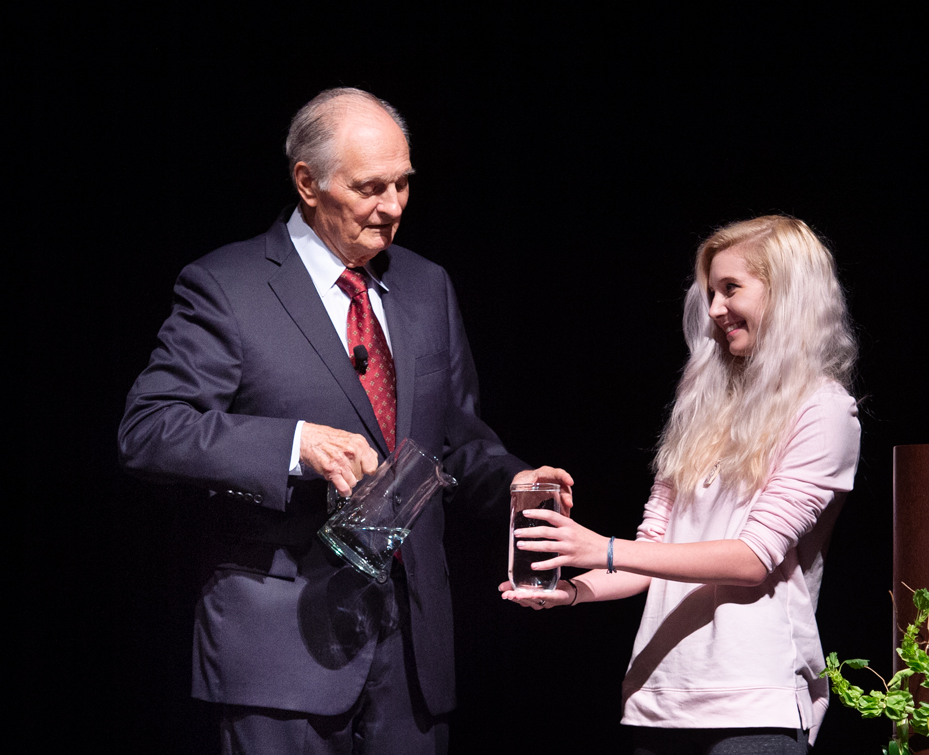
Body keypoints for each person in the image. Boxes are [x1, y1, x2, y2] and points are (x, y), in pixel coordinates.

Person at [119, 87, 570, 754]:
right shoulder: (228, 286)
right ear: (308, 182)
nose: (392, 208)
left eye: (403, 185)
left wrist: (515, 480)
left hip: (413, 657)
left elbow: (459, 441)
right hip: (281, 651)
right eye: (370, 188)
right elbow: (151, 430)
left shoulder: (426, 286)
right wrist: (299, 445)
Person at [502, 215, 860, 755]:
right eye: (711, 292)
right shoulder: (704, 409)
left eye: (731, 289)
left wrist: (600, 548)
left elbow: (751, 560)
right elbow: (651, 555)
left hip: (752, 702)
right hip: (658, 697)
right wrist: (572, 591)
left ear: (786, 292)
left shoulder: (824, 410)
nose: (715, 309)